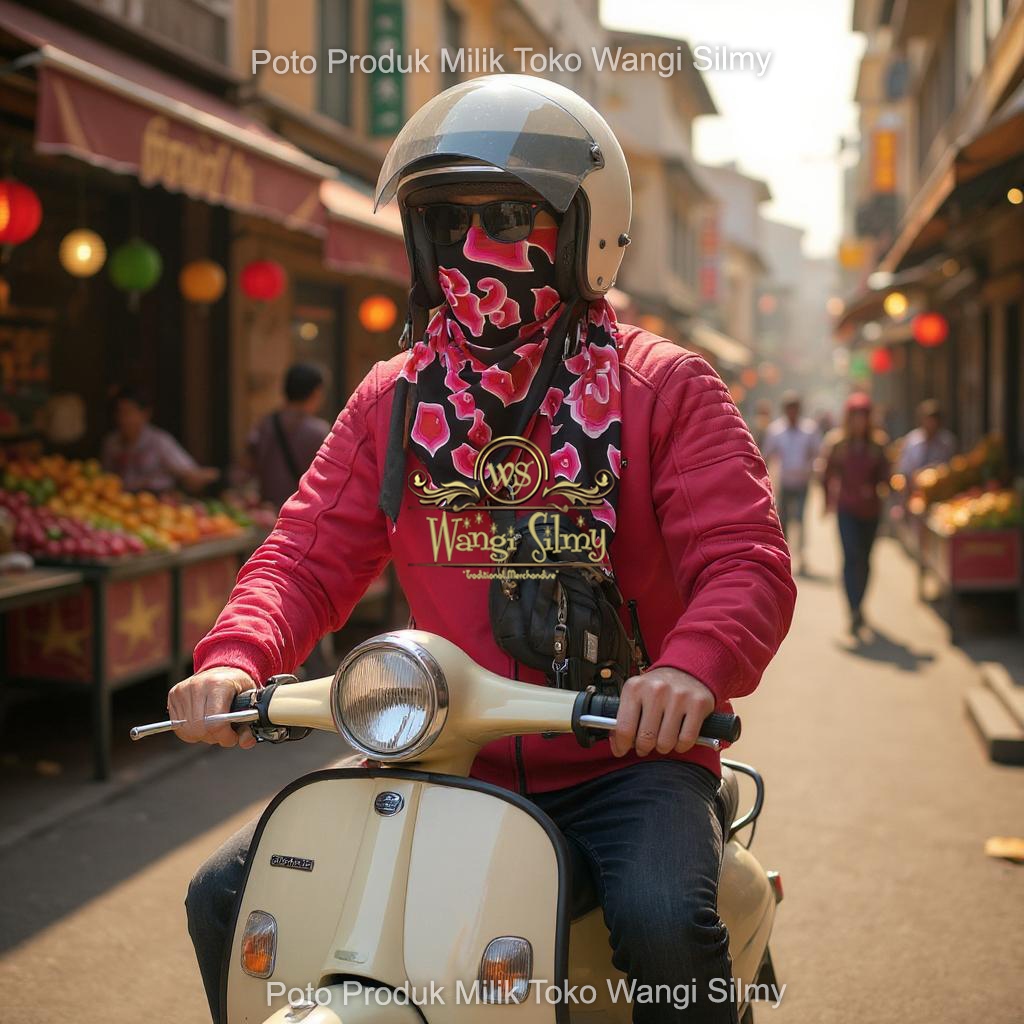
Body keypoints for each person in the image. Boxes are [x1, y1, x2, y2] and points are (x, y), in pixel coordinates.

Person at [171, 76, 796, 1024]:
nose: (476, 249)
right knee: (224, 894)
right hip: (441, 751)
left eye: (509, 216)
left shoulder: (667, 388)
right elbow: (303, 554)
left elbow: (746, 561)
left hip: (623, 762)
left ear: (588, 231)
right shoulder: (395, 397)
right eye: (445, 220)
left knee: (664, 919)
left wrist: (689, 674)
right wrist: (233, 656)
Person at [821, 392, 890, 634]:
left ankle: (860, 604)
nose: (860, 421)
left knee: (866, 559)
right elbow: (827, 473)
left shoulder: (878, 445)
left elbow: (886, 477)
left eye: (864, 416)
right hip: (846, 508)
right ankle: (852, 609)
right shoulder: (838, 444)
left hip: (870, 511)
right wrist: (826, 501)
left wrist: (879, 489)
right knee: (851, 557)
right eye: (855, 416)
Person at [102, 386, 219, 493]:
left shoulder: (159, 441)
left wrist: (218, 476)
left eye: (129, 412)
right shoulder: (111, 443)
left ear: (145, 414)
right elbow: (105, 478)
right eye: (119, 412)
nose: (123, 419)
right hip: (120, 503)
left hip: (157, 502)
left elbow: (188, 473)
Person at [246, 363, 331, 508]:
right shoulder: (319, 431)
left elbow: (248, 466)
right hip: (302, 512)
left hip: (267, 511)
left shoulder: (264, 425)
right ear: (316, 392)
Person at [761, 391, 821, 573]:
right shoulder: (776, 431)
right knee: (783, 520)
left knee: (801, 520)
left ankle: (802, 556)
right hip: (784, 483)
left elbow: (817, 453)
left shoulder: (809, 430)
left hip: (802, 482)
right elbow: (767, 455)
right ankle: (783, 556)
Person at [897, 399, 957, 484]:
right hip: (915, 488)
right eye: (928, 420)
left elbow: (952, 467)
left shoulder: (947, 442)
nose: (931, 425)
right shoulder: (912, 440)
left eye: (933, 421)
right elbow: (904, 469)